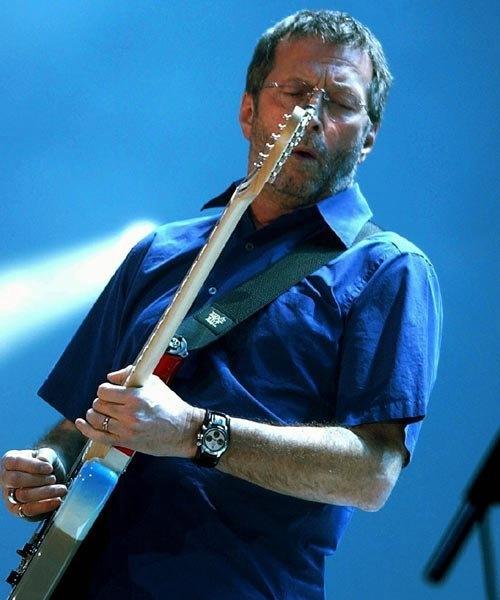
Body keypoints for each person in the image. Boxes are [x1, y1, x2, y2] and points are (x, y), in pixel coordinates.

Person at [0, 10, 442, 600]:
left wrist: (195, 432)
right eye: (295, 92)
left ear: (367, 137)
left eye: (340, 102)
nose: (311, 116)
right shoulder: (160, 250)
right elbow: (81, 420)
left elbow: (372, 473)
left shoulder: (389, 269)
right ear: (248, 111)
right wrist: (47, 464)